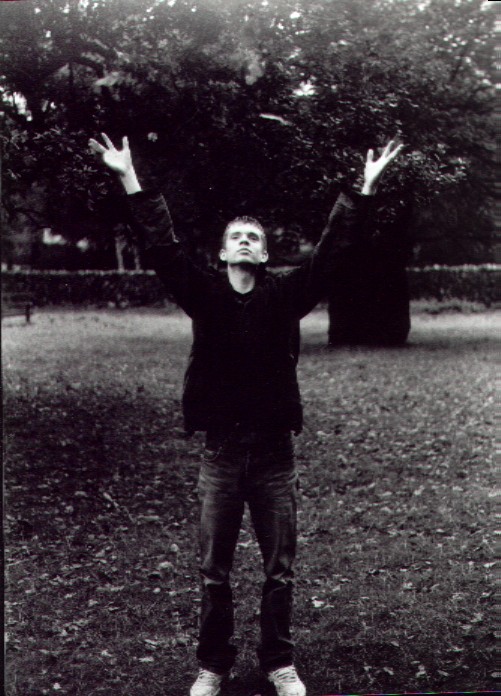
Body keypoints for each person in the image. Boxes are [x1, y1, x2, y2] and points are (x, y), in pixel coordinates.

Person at [89, 133, 403, 696]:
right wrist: (129, 178)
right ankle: (213, 665)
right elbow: (163, 248)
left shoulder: (286, 296)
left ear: (263, 256)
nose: (244, 241)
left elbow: (331, 252)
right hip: (222, 456)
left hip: (275, 456)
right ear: (222, 253)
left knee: (279, 571)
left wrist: (364, 188)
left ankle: (279, 663)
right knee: (214, 572)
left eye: (253, 238)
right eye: (235, 236)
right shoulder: (204, 294)